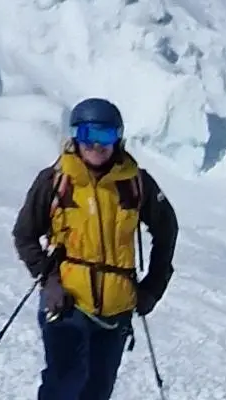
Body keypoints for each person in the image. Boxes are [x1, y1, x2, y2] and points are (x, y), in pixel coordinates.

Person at [11, 97, 178, 400]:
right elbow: (25, 234)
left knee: (97, 391)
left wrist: (153, 287)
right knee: (64, 384)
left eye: (105, 136)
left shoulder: (136, 182)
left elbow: (167, 229)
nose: (96, 146)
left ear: (119, 138)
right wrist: (48, 282)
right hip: (67, 305)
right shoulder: (56, 179)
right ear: (75, 136)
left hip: (117, 312)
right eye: (88, 135)